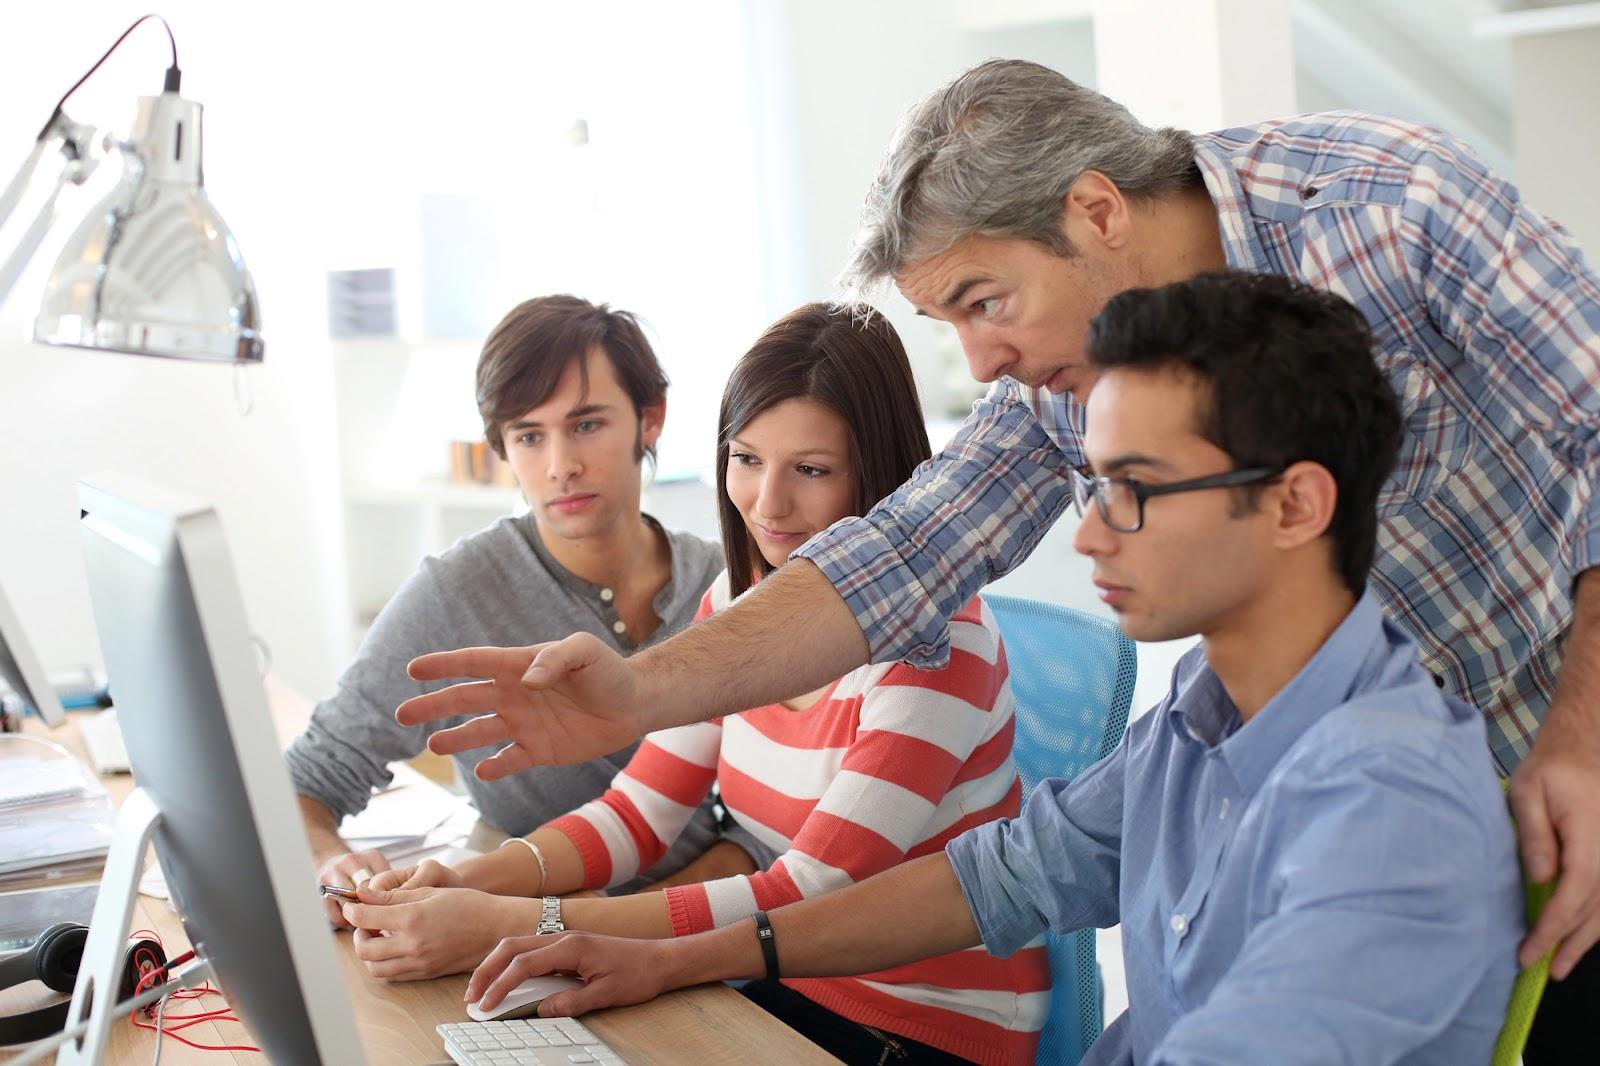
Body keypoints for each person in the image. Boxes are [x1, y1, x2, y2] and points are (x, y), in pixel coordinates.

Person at [396, 60, 1600, 1055]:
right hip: (1346, 780)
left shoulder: (1388, 209)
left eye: (984, 302)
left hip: (1534, 772)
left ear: (1094, 211)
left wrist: (1581, 739)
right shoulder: (1191, 712)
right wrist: (641, 692)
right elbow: (903, 562)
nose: (977, 364)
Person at [459, 274, 1523, 1066]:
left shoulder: (1387, 804)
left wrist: (582, 927)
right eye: (1090, 485)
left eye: (1135, 489)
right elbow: (1002, 872)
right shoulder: (1201, 723)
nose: (1092, 537)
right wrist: (668, 955)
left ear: (1295, 504)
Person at [345, 304, 1047, 1066]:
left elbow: (804, 893)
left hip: (914, 1029)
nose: (767, 505)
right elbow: (637, 816)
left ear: (880, 472)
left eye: (810, 470)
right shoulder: (740, 604)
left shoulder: (941, 648)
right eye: (746, 459)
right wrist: (461, 878)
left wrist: (512, 920)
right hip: (763, 980)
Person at [285, 294, 766, 927]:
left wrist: (622, 925)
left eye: (587, 425)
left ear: (651, 420)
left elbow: (769, 836)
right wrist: (328, 863)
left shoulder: (731, 587)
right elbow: (308, 777)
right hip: (535, 936)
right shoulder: (454, 595)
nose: (560, 466)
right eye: (529, 437)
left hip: (727, 939)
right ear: (503, 449)